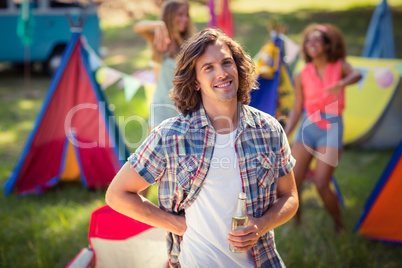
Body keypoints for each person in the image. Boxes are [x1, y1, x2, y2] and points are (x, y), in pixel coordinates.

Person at [106, 28, 298, 267]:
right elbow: (117, 195)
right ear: (195, 82)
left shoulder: (269, 129)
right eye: (209, 67)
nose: (222, 73)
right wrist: (176, 224)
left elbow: (290, 196)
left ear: (238, 68)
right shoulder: (171, 136)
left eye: (227, 63)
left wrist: (262, 225)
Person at [284, 24, 362, 233]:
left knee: (321, 183)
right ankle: (296, 222)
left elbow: (357, 75)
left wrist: (342, 83)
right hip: (307, 125)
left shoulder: (338, 65)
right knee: (292, 181)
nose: (312, 44)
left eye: (317, 40)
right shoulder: (302, 73)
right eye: (308, 41)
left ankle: (339, 225)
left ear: (327, 45)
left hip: (331, 126)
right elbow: (297, 108)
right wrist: (285, 132)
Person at [133, 0, 194, 129]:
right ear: (169, 15)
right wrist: (158, 24)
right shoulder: (158, 40)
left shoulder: (189, 44)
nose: (185, 19)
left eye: (186, 15)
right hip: (161, 107)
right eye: (180, 14)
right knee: (153, 148)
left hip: (184, 107)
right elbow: (137, 27)